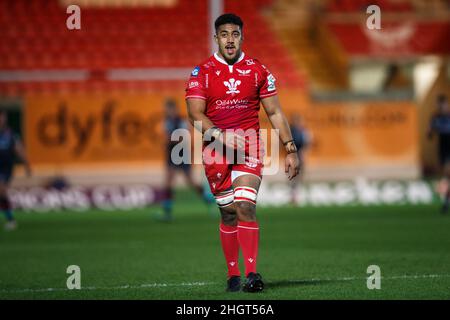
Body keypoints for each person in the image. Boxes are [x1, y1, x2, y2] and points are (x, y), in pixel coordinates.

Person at [185, 13, 300, 293]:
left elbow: (274, 111)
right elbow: (194, 114)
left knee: (246, 207)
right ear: (216, 38)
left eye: (235, 34)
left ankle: (251, 273)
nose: (230, 40)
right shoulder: (202, 72)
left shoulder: (258, 70)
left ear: (242, 37)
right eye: (224, 34)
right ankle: (233, 274)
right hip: (216, 151)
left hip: (249, 146)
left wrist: (291, 148)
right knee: (228, 214)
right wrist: (222, 136)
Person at [157, 98, 214, 221]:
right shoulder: (167, 121)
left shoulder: (181, 120)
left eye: (169, 109)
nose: (167, 111)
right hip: (171, 154)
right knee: (168, 182)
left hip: (182, 154)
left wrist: (171, 139)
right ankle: (167, 213)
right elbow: (166, 137)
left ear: (174, 109)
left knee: (191, 182)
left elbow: (184, 136)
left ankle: (211, 202)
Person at [0, 110, 31, 230]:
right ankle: (10, 219)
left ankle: (11, 220)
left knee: (1, 190)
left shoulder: (11, 135)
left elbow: (19, 150)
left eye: (2, 117)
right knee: (1, 194)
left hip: (5, 168)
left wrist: (27, 165)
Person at [428, 94, 450, 213]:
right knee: (445, 176)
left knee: (447, 173)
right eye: (439, 105)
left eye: (443, 104)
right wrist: (431, 131)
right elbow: (429, 133)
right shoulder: (435, 117)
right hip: (442, 148)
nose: (441, 107)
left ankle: (446, 202)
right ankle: (446, 201)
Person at [289, 114, 311, 205]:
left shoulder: (303, 131)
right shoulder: (290, 131)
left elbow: (307, 143)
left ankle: (298, 194)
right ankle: (293, 195)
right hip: (292, 156)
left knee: (300, 176)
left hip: (300, 155)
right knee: (292, 176)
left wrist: (304, 153)